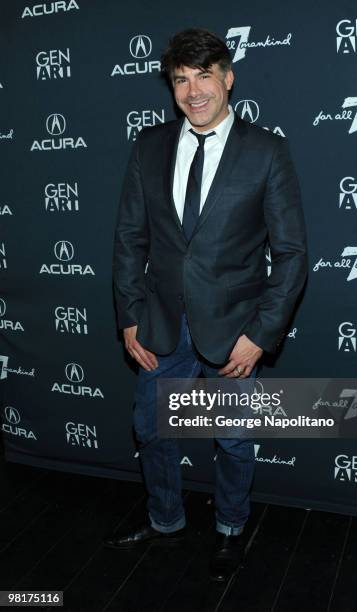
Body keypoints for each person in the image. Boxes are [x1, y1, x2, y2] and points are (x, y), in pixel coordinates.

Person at [105, 28, 307, 581]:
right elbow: (129, 239)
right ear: (172, 86)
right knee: (150, 429)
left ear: (228, 78)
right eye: (181, 80)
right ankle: (165, 518)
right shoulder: (147, 147)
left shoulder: (267, 151)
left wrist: (261, 334)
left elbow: (290, 255)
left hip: (235, 332)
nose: (194, 91)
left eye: (204, 76)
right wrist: (129, 316)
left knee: (235, 439)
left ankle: (230, 529)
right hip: (160, 325)